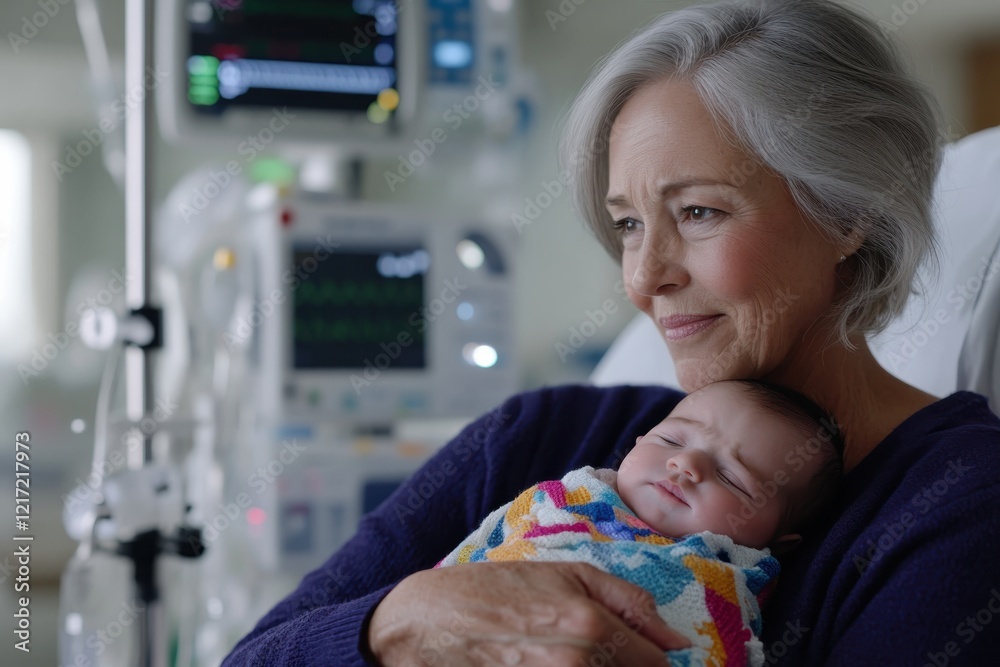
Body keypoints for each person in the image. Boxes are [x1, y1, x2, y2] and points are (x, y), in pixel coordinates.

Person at [224, 0, 1000, 665]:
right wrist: (395, 624)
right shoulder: (542, 435)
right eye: (628, 224)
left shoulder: (956, 505)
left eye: (699, 211)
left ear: (848, 214)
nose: (641, 278)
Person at [434, 380, 842, 666]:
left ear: (778, 543)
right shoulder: (562, 498)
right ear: (637, 442)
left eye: (733, 478)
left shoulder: (727, 588)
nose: (686, 464)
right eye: (672, 441)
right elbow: (467, 561)